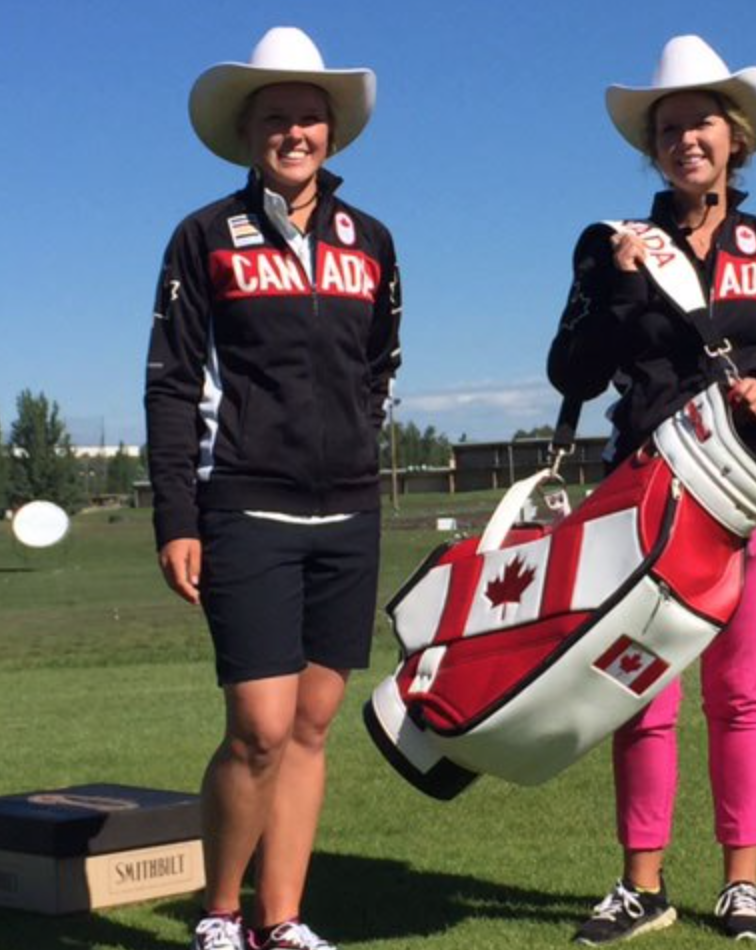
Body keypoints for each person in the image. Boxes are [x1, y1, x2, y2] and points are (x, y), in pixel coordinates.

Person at [548, 34, 756, 945]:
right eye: (668, 128)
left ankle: (743, 883)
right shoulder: (616, 247)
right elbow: (572, 374)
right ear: (653, 147)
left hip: (749, 495)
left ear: (734, 138)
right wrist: (622, 286)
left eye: (701, 122)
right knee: (641, 696)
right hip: (647, 498)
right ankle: (642, 885)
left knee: (740, 694)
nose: (686, 139)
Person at [144, 27, 401, 950]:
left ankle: (281, 920)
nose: (294, 132)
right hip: (243, 503)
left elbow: (381, 366)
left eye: (308, 117)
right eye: (276, 118)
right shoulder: (204, 237)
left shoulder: (370, 240)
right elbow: (172, 382)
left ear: (331, 133)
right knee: (258, 723)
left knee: (312, 724)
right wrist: (178, 514)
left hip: (350, 509)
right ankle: (219, 914)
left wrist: (350, 447)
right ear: (248, 133)